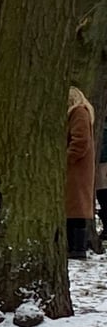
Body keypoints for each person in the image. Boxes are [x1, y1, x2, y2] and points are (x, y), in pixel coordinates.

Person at [66, 86, 96, 259]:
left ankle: (78, 248)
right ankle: (75, 246)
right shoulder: (81, 113)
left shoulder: (78, 113)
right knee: (74, 208)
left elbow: (80, 141)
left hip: (76, 168)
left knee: (75, 208)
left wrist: (66, 159)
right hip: (78, 168)